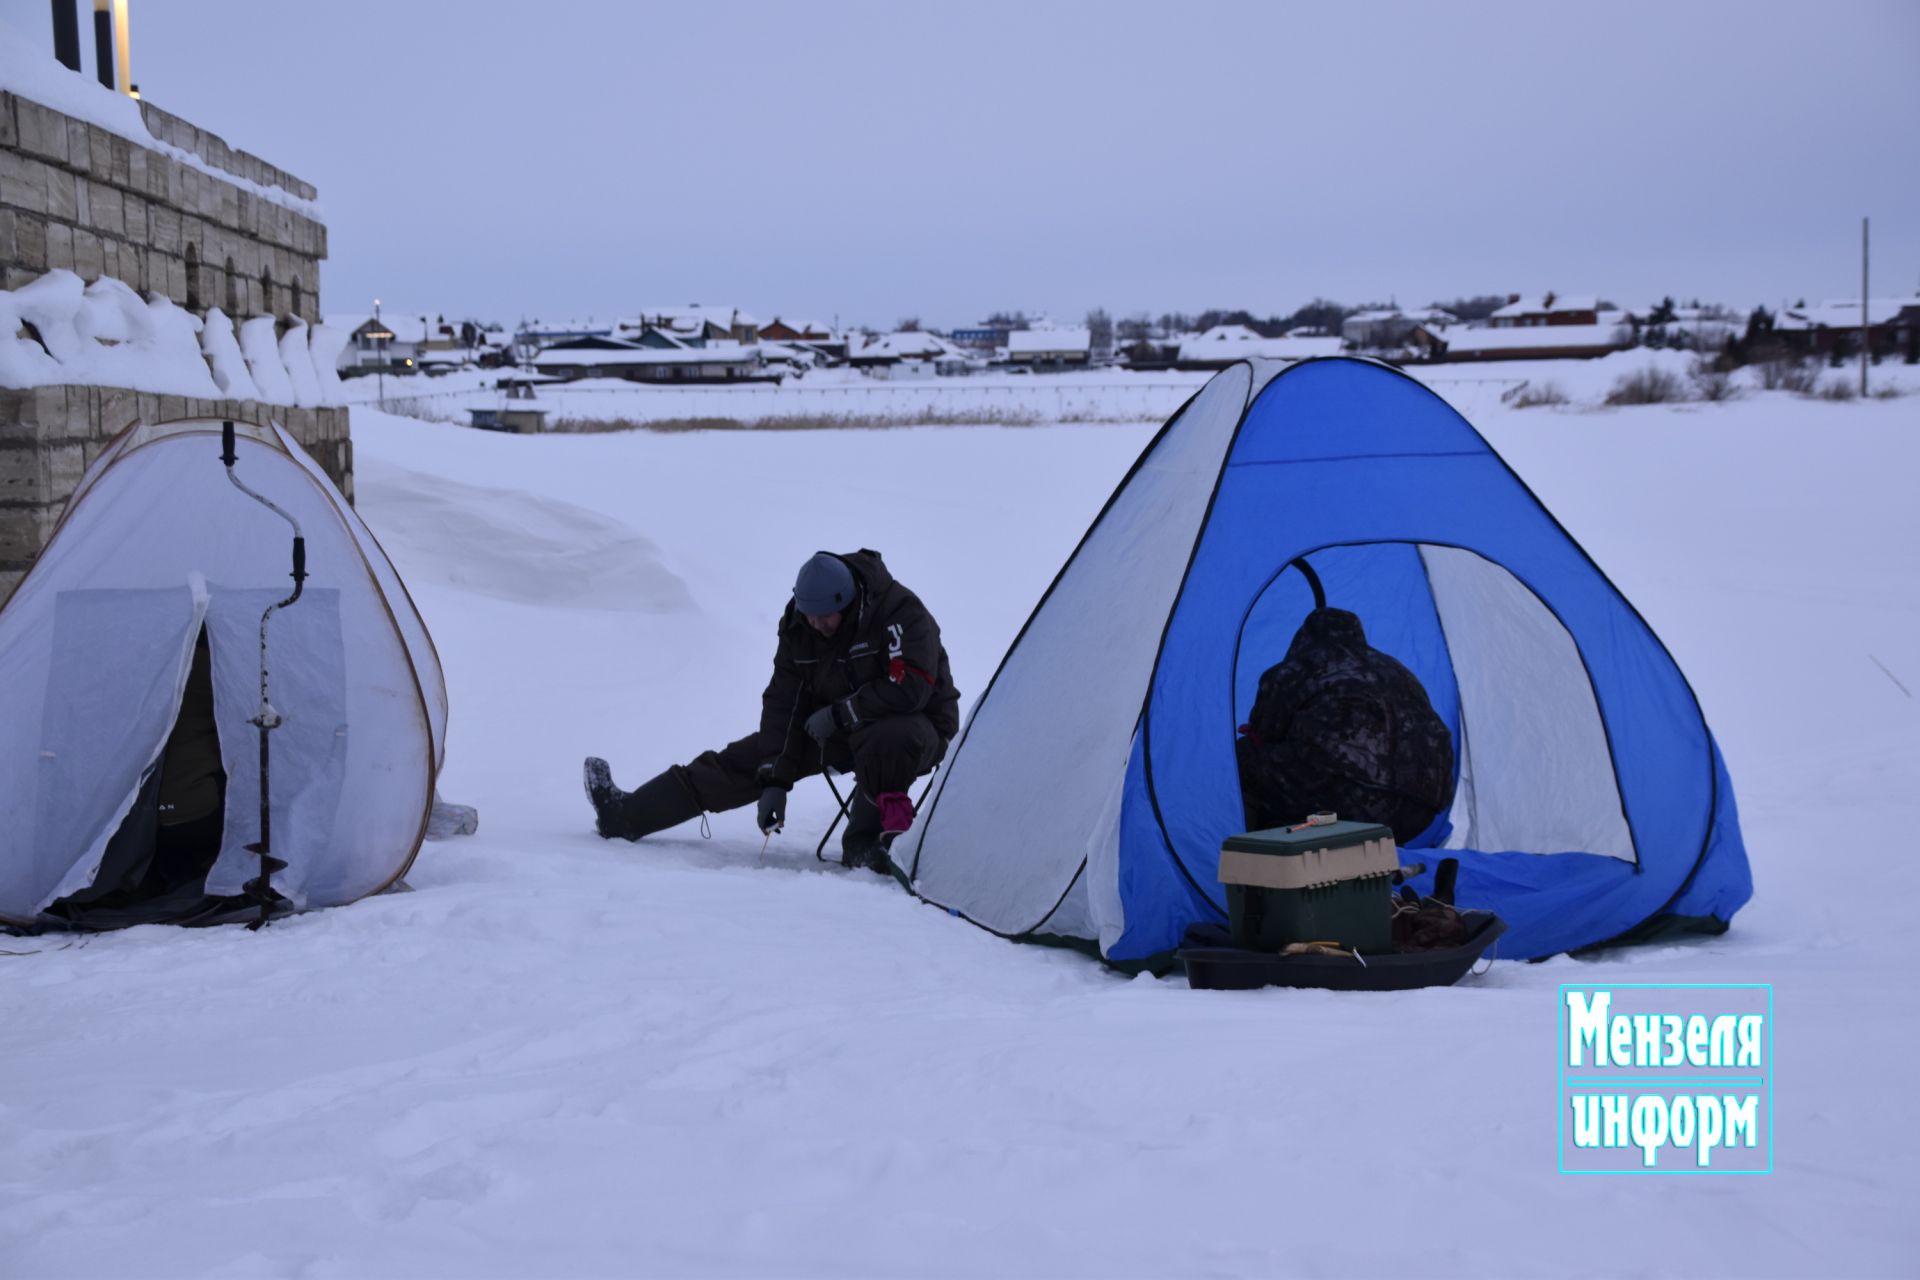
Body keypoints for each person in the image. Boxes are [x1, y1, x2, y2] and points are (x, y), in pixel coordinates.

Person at [584, 549, 960, 872]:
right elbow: (785, 702)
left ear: (847, 602)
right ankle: (627, 815)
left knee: (888, 735)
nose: (816, 624)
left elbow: (909, 688)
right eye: (809, 615)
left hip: (917, 727)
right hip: (841, 727)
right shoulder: (801, 625)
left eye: (825, 617)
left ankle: (867, 843)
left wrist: (840, 714)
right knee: (752, 756)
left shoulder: (899, 612)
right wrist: (774, 781)